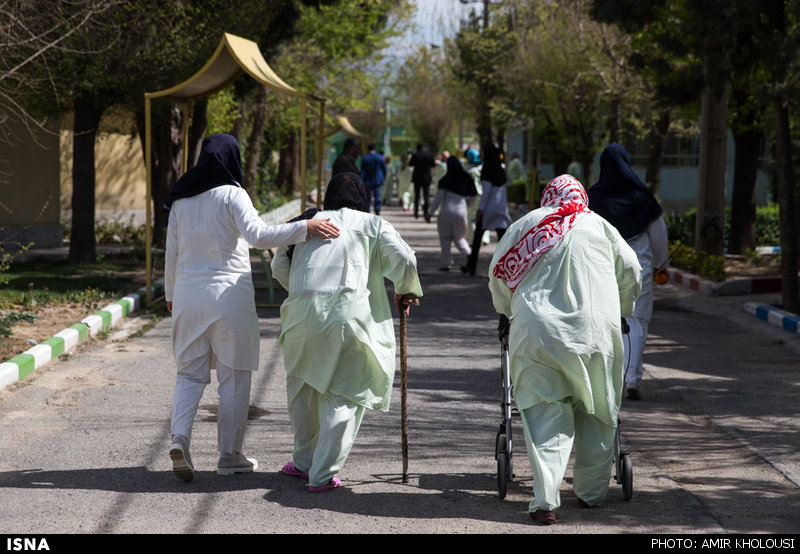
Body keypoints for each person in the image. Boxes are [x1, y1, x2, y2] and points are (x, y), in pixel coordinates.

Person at [164, 134, 340, 482]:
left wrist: (171, 295)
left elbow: (172, 251)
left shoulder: (181, 200)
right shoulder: (232, 194)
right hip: (229, 298)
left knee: (189, 375)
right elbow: (258, 235)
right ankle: (229, 456)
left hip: (186, 296)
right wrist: (305, 227)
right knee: (234, 376)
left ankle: (180, 438)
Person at [488, 174, 642, 524]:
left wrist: (507, 309)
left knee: (545, 415)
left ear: (548, 197)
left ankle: (545, 502)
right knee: (598, 410)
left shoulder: (527, 224)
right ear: (582, 197)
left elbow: (499, 274)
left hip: (537, 333)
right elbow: (631, 270)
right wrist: (622, 307)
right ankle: (589, 493)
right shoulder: (600, 225)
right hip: (595, 332)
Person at [271, 172, 423, 492]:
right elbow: (406, 259)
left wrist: (304, 292)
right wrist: (404, 290)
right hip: (347, 320)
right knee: (344, 391)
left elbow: (279, 268)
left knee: (303, 390)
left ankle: (302, 463)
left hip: (300, 316)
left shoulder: (305, 223)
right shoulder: (371, 224)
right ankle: (322, 474)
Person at [587, 142, 669, 400]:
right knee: (636, 321)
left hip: (602, 268)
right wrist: (662, 264)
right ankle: (632, 379)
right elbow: (659, 237)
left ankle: (606, 377)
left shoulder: (592, 198)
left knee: (602, 320)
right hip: (639, 270)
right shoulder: (643, 198)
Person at [462, 143, 511, 276]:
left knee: (478, 237)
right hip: (500, 208)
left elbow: (486, 192)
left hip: (489, 208)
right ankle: (508, 267)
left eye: (482, 152)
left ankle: (472, 265)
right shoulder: (501, 169)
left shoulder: (487, 169)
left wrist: (480, 209)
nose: (480, 154)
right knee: (503, 239)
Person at [427, 156, 478, 271]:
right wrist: (468, 204)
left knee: (445, 238)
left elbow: (438, 198)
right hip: (461, 210)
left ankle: (446, 264)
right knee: (459, 238)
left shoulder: (445, 180)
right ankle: (469, 256)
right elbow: (473, 195)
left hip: (446, 210)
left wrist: (430, 213)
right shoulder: (467, 178)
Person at [409, 143, 436, 219]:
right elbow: (433, 165)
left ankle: (416, 212)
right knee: (426, 196)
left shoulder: (415, 155)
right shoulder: (429, 155)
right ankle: (425, 213)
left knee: (417, 196)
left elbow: (410, 164)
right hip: (426, 178)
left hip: (417, 178)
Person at [360, 143, 387, 215]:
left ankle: (367, 211)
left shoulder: (365, 158)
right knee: (377, 197)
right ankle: (377, 210)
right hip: (377, 180)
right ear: (375, 149)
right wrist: (383, 178)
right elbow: (384, 169)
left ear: (368, 150)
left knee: (367, 197)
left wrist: (361, 180)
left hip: (367, 180)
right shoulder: (380, 157)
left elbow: (362, 171)